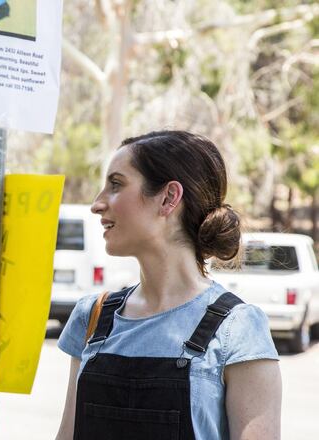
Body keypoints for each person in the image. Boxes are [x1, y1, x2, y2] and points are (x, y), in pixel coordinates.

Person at [55, 131, 281, 440]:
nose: (97, 204)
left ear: (168, 198)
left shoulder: (237, 329)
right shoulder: (93, 316)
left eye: (116, 184)